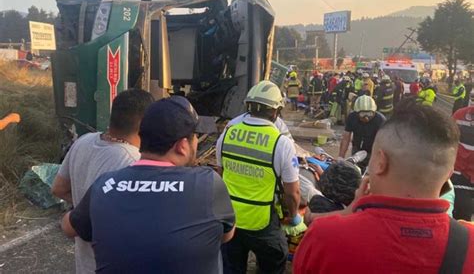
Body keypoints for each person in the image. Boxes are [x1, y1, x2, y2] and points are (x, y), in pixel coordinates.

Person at [294, 102, 474, 274]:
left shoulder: (324, 238)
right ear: (448, 174)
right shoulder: (468, 243)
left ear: (381, 161)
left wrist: (350, 212)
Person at [61, 96, 235, 274]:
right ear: (182, 146)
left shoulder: (104, 185)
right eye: (195, 137)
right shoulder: (208, 184)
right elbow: (226, 235)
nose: (197, 142)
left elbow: (68, 226)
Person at [52, 89, 154, 274]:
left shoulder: (83, 142)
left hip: (85, 264)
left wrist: (84, 213)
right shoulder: (134, 162)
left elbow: (58, 188)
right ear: (145, 124)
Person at [216, 80, 301, 274]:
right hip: (262, 222)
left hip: (231, 220)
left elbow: (222, 176)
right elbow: (293, 193)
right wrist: (294, 216)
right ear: (275, 112)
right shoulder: (281, 143)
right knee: (275, 259)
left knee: (231, 267)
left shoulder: (227, 133)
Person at [338, 95, 385, 170]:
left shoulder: (380, 120)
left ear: (374, 111)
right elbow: (346, 138)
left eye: (369, 113)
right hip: (357, 149)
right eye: (362, 114)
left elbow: (382, 142)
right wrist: (341, 157)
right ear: (357, 113)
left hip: (373, 150)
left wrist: (376, 159)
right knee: (355, 170)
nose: (366, 117)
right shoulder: (352, 118)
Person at [451, 93, 474, 221]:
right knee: (462, 211)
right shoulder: (460, 115)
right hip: (460, 173)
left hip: (460, 172)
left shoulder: (459, 114)